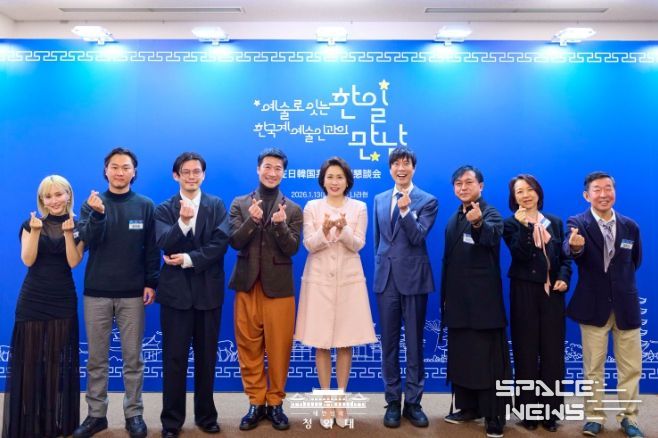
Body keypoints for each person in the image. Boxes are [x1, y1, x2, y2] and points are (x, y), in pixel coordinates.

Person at [74, 147, 160, 438]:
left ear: (134, 172)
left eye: (125, 167)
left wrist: (151, 283)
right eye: (114, 166)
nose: (120, 172)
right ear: (105, 170)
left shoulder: (145, 205)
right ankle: (96, 415)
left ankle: (134, 414)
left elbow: (152, 249)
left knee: (133, 359)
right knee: (96, 359)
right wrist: (97, 214)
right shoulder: (92, 203)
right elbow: (87, 240)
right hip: (96, 292)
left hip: (132, 294)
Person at [294, 156, 377, 429]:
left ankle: (340, 399)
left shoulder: (359, 207)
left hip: (348, 280)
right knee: (320, 342)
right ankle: (326, 401)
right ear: (323, 180)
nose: (334, 182)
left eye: (339, 177)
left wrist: (342, 230)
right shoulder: (312, 207)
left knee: (344, 342)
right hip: (319, 280)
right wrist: (325, 229)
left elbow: (358, 244)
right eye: (330, 177)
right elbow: (309, 244)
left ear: (347, 181)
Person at [155, 152, 230, 438]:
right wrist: (183, 222)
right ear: (176, 175)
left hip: (208, 293)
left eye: (196, 171)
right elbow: (164, 242)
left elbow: (220, 243)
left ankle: (206, 416)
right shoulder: (165, 209)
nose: (191, 176)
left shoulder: (216, 205)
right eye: (185, 172)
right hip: (175, 296)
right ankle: (171, 421)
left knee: (206, 358)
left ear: (203, 175)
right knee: (174, 359)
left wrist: (188, 258)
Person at [2, 175, 84, 438]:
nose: (54, 200)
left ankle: (52, 422)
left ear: (68, 195)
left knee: (55, 365)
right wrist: (36, 231)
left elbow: (73, 261)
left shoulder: (79, 226)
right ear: (41, 200)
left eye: (59, 194)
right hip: (33, 299)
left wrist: (69, 233)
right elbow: (28, 260)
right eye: (48, 196)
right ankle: (29, 424)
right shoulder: (31, 224)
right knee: (30, 363)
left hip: (63, 299)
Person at [563, 171, 644, 438]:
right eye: (597, 189)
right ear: (587, 195)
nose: (603, 194)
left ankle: (630, 418)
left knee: (631, 368)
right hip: (593, 306)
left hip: (626, 305)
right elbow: (571, 249)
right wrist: (575, 247)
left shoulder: (630, 226)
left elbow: (635, 261)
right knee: (593, 368)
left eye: (608, 188)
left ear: (614, 192)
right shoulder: (578, 223)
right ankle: (594, 417)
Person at [228, 148, 303, 431]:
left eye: (278, 168)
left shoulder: (293, 209)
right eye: (267, 167)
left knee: (279, 347)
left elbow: (292, 249)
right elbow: (234, 241)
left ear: (284, 173)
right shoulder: (240, 203)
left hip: (279, 288)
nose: (272, 173)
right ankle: (256, 401)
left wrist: (280, 226)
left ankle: (275, 403)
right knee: (248, 346)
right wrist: (253, 220)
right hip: (247, 285)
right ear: (258, 169)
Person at [441, 165, 511, 438]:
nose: (463, 187)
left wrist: (479, 223)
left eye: (468, 182)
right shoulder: (453, 217)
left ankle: (494, 415)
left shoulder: (490, 213)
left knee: (487, 361)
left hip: (483, 305)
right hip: (458, 302)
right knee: (462, 357)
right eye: (458, 183)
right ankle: (468, 407)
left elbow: (491, 236)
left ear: (480, 186)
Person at [372, 146, 438, 429]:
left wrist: (405, 211)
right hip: (386, 279)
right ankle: (392, 401)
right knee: (388, 344)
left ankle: (413, 402)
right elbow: (379, 241)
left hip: (413, 279)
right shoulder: (379, 199)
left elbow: (418, 237)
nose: (401, 168)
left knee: (413, 343)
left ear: (414, 168)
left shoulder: (427, 200)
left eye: (406, 163)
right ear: (390, 169)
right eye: (396, 164)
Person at [502, 174, 572, 432]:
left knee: (553, 353)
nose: (526, 195)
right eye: (519, 191)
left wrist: (563, 277)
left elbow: (565, 258)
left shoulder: (554, 222)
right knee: (526, 352)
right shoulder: (510, 224)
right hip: (523, 291)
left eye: (530, 189)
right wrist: (524, 227)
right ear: (514, 198)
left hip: (552, 292)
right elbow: (519, 255)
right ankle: (528, 412)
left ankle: (551, 412)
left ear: (538, 193)